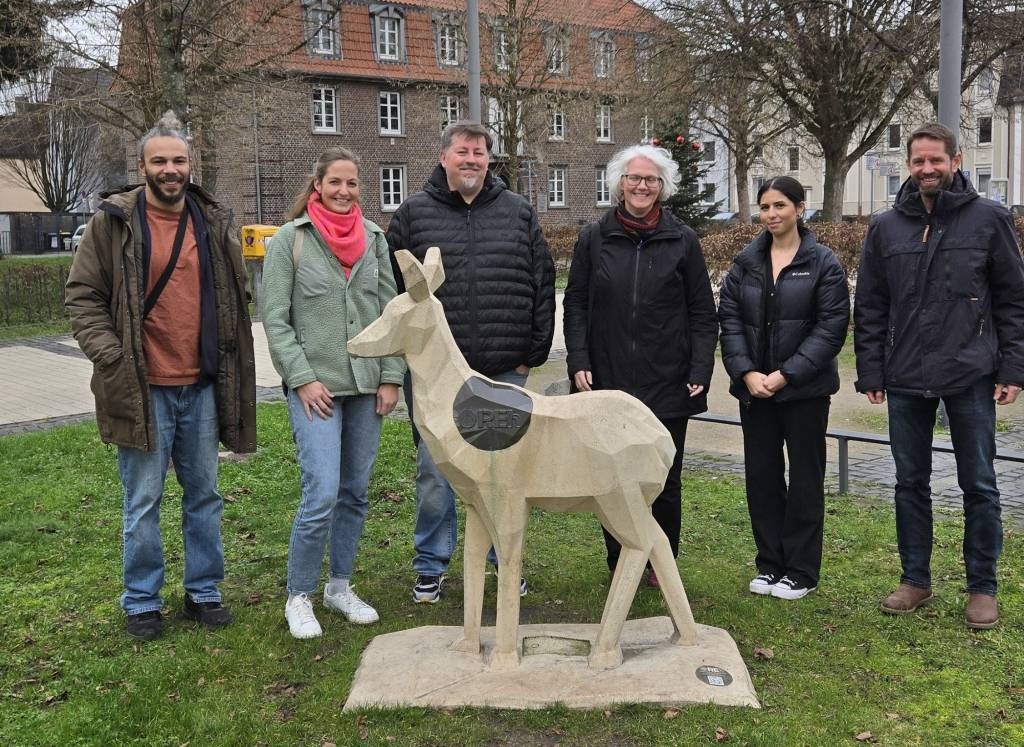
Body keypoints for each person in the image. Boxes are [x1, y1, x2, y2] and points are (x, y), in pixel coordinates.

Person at [65, 111, 256, 641]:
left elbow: (234, 297)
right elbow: (82, 296)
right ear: (142, 165)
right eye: (159, 161)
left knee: (204, 496)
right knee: (143, 500)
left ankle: (203, 592)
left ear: (190, 165)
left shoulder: (209, 220)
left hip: (201, 387)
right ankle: (143, 600)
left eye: (178, 160)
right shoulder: (114, 222)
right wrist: (111, 357)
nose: (170, 169)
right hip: (142, 385)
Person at [854, 122, 1024, 628]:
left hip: (970, 372)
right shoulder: (886, 227)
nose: (927, 169)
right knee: (910, 482)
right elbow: (870, 305)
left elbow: (1014, 300)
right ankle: (915, 579)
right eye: (918, 161)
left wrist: (1012, 367)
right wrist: (870, 371)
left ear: (956, 159)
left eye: (936, 160)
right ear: (908, 165)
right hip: (905, 374)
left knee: (979, 483)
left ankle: (982, 586)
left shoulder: (989, 220)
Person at [385, 121, 555, 604]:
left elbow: (542, 282)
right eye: (463, 152)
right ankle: (431, 565)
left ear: (488, 160)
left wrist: (531, 354)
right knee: (436, 472)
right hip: (437, 377)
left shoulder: (518, 212)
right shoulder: (413, 215)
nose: (471, 160)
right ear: (444, 157)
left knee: (503, 472)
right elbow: (396, 295)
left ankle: (506, 561)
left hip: (503, 369)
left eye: (479, 153)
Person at [262, 148, 404, 639]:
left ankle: (338, 586)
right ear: (317, 185)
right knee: (321, 490)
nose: (345, 192)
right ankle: (298, 594)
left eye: (353, 184)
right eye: (335, 183)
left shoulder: (375, 240)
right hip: (315, 390)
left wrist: (392, 376)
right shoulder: (290, 241)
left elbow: (392, 314)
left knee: (354, 491)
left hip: (366, 387)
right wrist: (301, 377)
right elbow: (275, 320)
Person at [563, 144, 718, 587]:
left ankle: (659, 562)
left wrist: (700, 369)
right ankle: (621, 562)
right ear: (620, 183)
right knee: (613, 478)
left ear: (663, 186)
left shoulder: (682, 239)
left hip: (667, 379)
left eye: (651, 179)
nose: (642, 185)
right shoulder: (594, 237)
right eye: (634, 178)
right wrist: (578, 358)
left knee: (664, 479)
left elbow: (702, 312)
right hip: (607, 382)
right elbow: (575, 304)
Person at [718, 176, 849, 600]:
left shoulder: (823, 262)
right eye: (765, 207)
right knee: (763, 477)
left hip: (803, 392)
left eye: (780, 206)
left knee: (806, 479)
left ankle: (801, 570)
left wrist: (786, 374)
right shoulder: (745, 263)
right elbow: (731, 322)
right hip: (755, 392)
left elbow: (831, 328)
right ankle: (770, 562)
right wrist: (745, 373)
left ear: (799, 207)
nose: (771, 215)